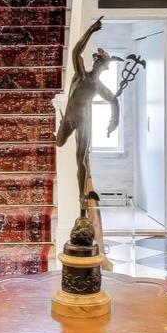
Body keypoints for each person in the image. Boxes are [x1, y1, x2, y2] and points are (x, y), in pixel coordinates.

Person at [55, 17, 118, 213]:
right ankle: (82, 193)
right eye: (98, 61)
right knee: (59, 142)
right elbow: (76, 51)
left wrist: (114, 120)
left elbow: (114, 100)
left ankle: (81, 195)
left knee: (80, 158)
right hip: (70, 117)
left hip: (84, 120)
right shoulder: (81, 74)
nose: (99, 64)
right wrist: (91, 29)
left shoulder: (99, 86)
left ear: (105, 68)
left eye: (102, 63)